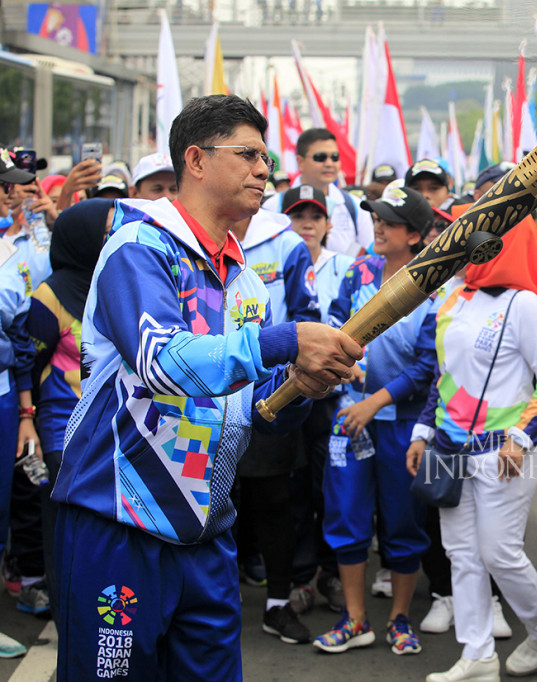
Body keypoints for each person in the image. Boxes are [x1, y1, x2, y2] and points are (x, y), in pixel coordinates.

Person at [49, 94, 362, 680]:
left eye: (266, 158)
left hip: (208, 532)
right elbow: (162, 363)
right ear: (195, 159)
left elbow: (252, 413)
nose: (263, 170)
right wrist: (287, 340)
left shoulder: (246, 283)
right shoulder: (138, 249)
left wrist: (301, 387)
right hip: (118, 526)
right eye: (247, 154)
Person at [409, 221, 537, 682]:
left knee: (499, 552)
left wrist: (521, 437)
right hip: (449, 448)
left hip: (504, 453)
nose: (468, 248)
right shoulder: (452, 298)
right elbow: (444, 377)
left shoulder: (527, 306)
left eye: (480, 241)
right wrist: (422, 431)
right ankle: (477, 654)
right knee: (462, 553)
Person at [314, 183, 437, 657]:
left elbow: (427, 366)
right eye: (376, 218)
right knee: (345, 515)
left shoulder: (431, 283)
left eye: (389, 221)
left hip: (402, 425)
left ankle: (400, 619)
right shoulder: (359, 270)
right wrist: (348, 369)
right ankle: (355, 619)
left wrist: (376, 401)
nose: (379, 226)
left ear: (416, 233)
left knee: (403, 522)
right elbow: (336, 327)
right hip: (350, 417)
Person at [231, 182, 321, 644]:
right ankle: (209, 602)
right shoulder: (190, 239)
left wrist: (286, 374)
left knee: (273, 501)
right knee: (211, 500)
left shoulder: (285, 242)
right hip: (203, 394)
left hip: (269, 394)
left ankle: (278, 604)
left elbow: (306, 315)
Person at [17, 199, 116, 620]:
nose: (115, 238)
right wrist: (29, 420)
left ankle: (99, 610)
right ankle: (67, 613)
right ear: (82, 239)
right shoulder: (50, 295)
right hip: (63, 432)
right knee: (65, 530)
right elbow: (29, 362)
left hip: (113, 428)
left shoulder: (116, 285)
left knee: (105, 531)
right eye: (106, 231)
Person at [282, 184, 354, 615]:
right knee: (293, 488)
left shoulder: (347, 267)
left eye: (314, 216)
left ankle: (329, 572)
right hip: (288, 393)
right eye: (297, 216)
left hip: (334, 396)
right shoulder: (271, 264)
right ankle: (300, 575)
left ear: (328, 225)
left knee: (330, 486)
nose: (306, 224)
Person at [0, 153, 36, 660]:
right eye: (3, 187)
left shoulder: (16, 249)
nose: (10, 194)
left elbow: (20, 335)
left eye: (13, 187)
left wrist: (27, 413)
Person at [263, 128, 372, 257]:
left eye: (335, 157)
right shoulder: (273, 206)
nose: (329, 163)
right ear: (300, 162)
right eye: (320, 157)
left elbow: (368, 256)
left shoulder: (355, 207)